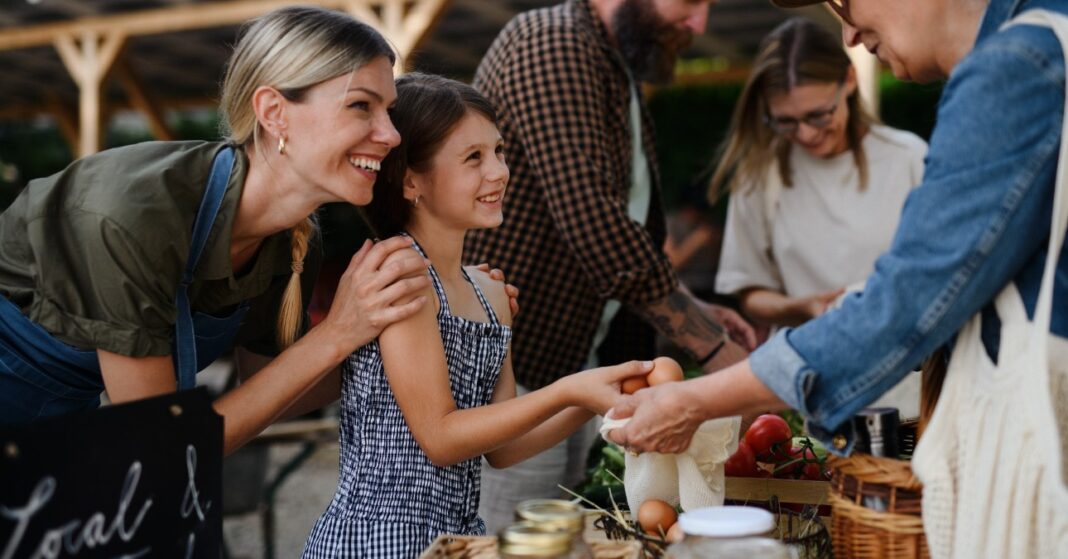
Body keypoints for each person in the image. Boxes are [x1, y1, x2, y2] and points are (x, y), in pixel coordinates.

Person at [608, 0, 1067, 555]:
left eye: (844, 3)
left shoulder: (1015, 68)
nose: (848, 33)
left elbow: (901, 308)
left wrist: (695, 402)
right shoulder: (1046, 44)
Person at [0, 6, 511, 456]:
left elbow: (271, 391)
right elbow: (160, 446)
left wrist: (427, 325)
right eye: (362, 106)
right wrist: (336, 333)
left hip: (55, 431)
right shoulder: (131, 216)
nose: (391, 135)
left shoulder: (292, 246)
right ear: (274, 113)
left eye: (390, 111)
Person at [302, 73, 651, 558]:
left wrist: (594, 400)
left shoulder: (489, 291)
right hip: (379, 542)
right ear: (410, 181)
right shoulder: (399, 276)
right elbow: (441, 438)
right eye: (474, 158)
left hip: (456, 538)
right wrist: (570, 388)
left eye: (499, 151)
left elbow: (503, 447)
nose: (500, 171)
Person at [464, 0, 758, 531]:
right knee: (522, 540)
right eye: (691, 1)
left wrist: (693, 307)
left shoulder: (612, 66)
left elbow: (629, 235)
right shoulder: (553, 42)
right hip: (518, 378)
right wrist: (714, 348)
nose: (700, 23)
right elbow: (595, 222)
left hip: (575, 369)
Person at [711, 17, 926, 414]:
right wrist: (804, 306)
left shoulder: (908, 157)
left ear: (848, 81)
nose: (806, 134)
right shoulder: (759, 176)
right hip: (804, 388)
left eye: (818, 115)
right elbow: (749, 292)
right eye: (786, 121)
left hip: (904, 386)